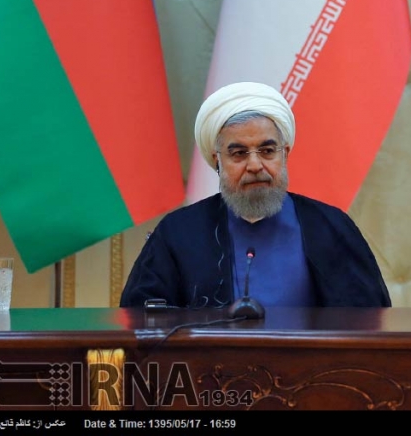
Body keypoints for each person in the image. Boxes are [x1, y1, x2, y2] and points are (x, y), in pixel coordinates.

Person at [121, 81, 391, 309]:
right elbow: (140, 322)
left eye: (267, 151)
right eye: (238, 153)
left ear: (285, 154)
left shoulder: (331, 227)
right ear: (218, 161)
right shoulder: (178, 232)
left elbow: (370, 324)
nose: (254, 165)